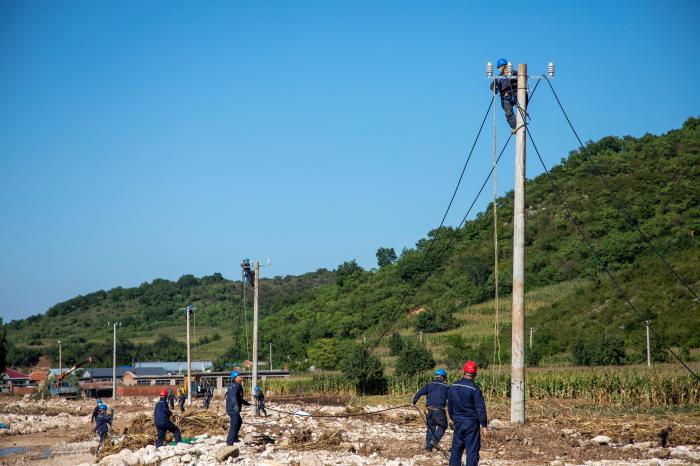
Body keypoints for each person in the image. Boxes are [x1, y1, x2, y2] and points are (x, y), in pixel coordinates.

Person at [447, 361, 488, 466]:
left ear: (464, 372)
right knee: (472, 451)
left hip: (458, 423)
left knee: (456, 450)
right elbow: (480, 408)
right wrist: (484, 425)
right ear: (475, 374)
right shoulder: (474, 389)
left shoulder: (453, 385)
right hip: (471, 424)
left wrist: (452, 417)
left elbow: (450, 404)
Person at [412, 368, 449, 452]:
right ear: (443, 378)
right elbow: (451, 399)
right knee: (443, 426)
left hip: (429, 410)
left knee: (430, 428)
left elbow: (419, 393)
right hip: (439, 410)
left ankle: (428, 448)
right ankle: (434, 441)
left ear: (436, 377)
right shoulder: (446, 387)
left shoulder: (428, 385)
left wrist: (413, 402)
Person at [490, 57, 519, 132]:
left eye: (500, 67)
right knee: (508, 113)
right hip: (505, 97)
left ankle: (521, 124)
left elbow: (523, 79)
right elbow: (492, 85)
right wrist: (494, 89)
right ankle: (515, 127)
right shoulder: (499, 77)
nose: (499, 69)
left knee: (521, 110)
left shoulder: (515, 73)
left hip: (516, 94)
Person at [226, 371, 250, 445]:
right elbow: (233, 396)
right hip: (233, 409)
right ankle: (230, 442)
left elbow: (237, 397)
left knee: (239, 421)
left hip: (232, 408)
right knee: (234, 424)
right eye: (239, 375)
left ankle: (234, 437)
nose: (241, 376)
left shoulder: (236, 385)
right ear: (236, 378)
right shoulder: (237, 386)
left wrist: (244, 402)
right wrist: (236, 405)